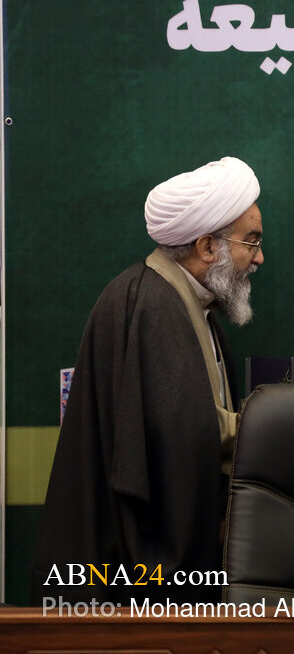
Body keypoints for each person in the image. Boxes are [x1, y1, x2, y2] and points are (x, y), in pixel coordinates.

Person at [31, 156, 264, 605]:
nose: (258, 257)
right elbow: (180, 438)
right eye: (250, 241)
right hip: (134, 582)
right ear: (207, 247)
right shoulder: (152, 307)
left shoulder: (184, 301)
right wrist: (275, 426)